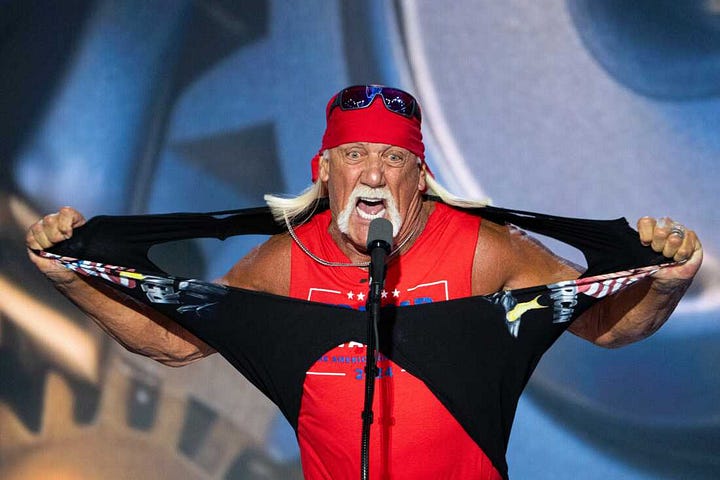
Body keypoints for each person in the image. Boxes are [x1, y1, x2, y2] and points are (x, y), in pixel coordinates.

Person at [26, 85, 702, 479]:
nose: (374, 174)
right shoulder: (283, 262)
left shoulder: (484, 253)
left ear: (420, 175)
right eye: (356, 154)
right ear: (325, 170)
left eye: (393, 157)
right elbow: (174, 342)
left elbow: (605, 325)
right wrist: (70, 280)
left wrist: (666, 285)